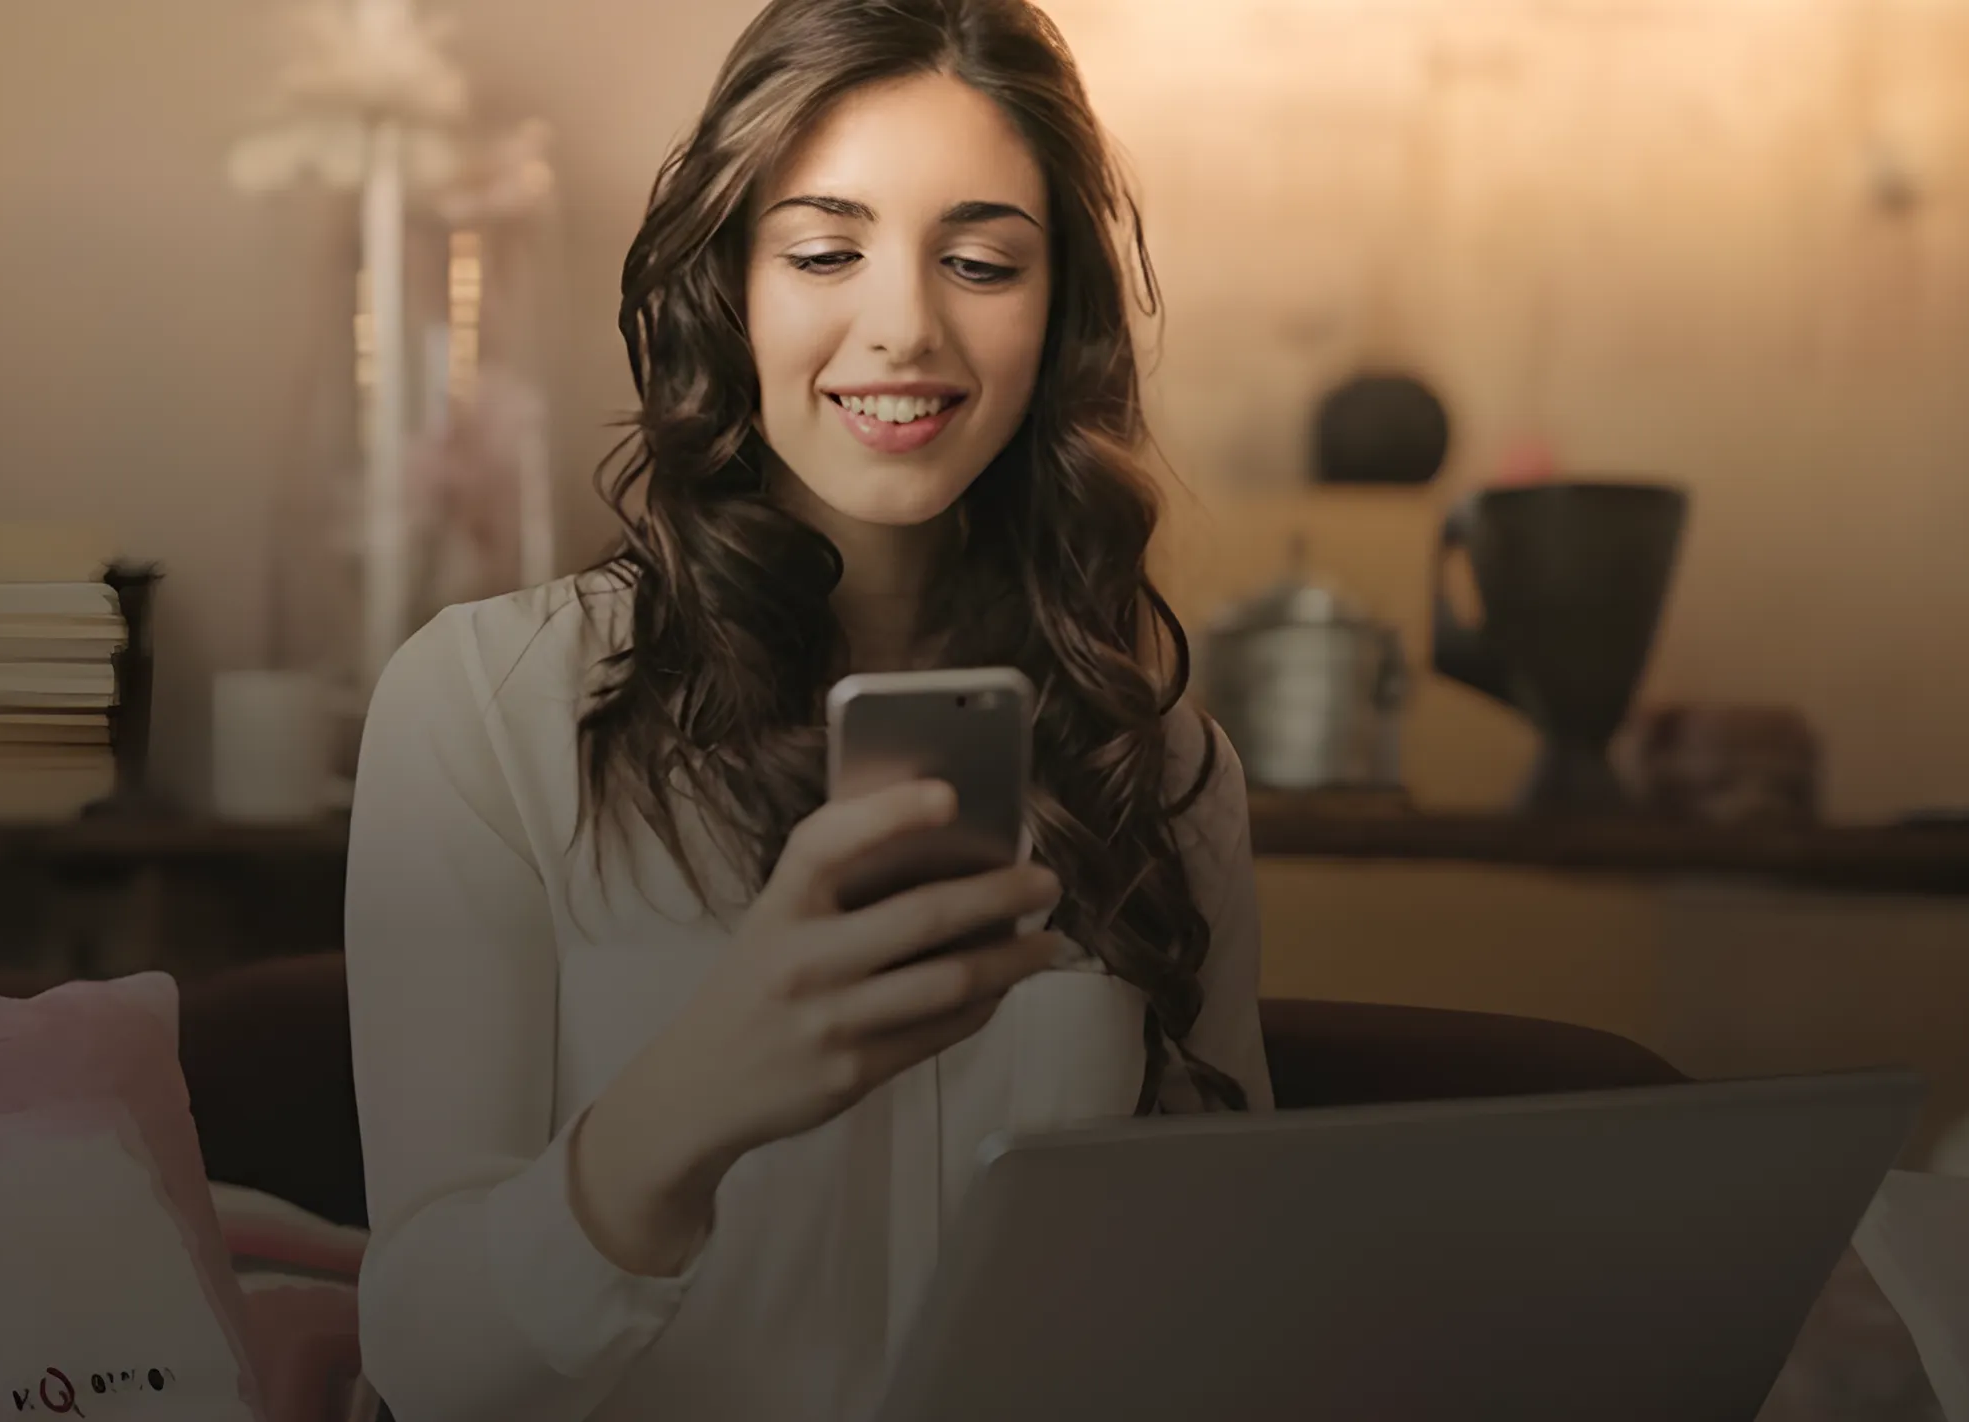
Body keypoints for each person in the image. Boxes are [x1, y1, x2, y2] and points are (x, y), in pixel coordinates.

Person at [341, 1, 1273, 1417]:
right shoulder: (482, 710)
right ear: (727, 285)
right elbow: (425, 1364)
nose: (902, 324)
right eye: (824, 250)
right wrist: (695, 1098)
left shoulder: (1160, 765)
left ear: (1055, 310)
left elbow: (1226, 1291)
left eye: (978, 261)